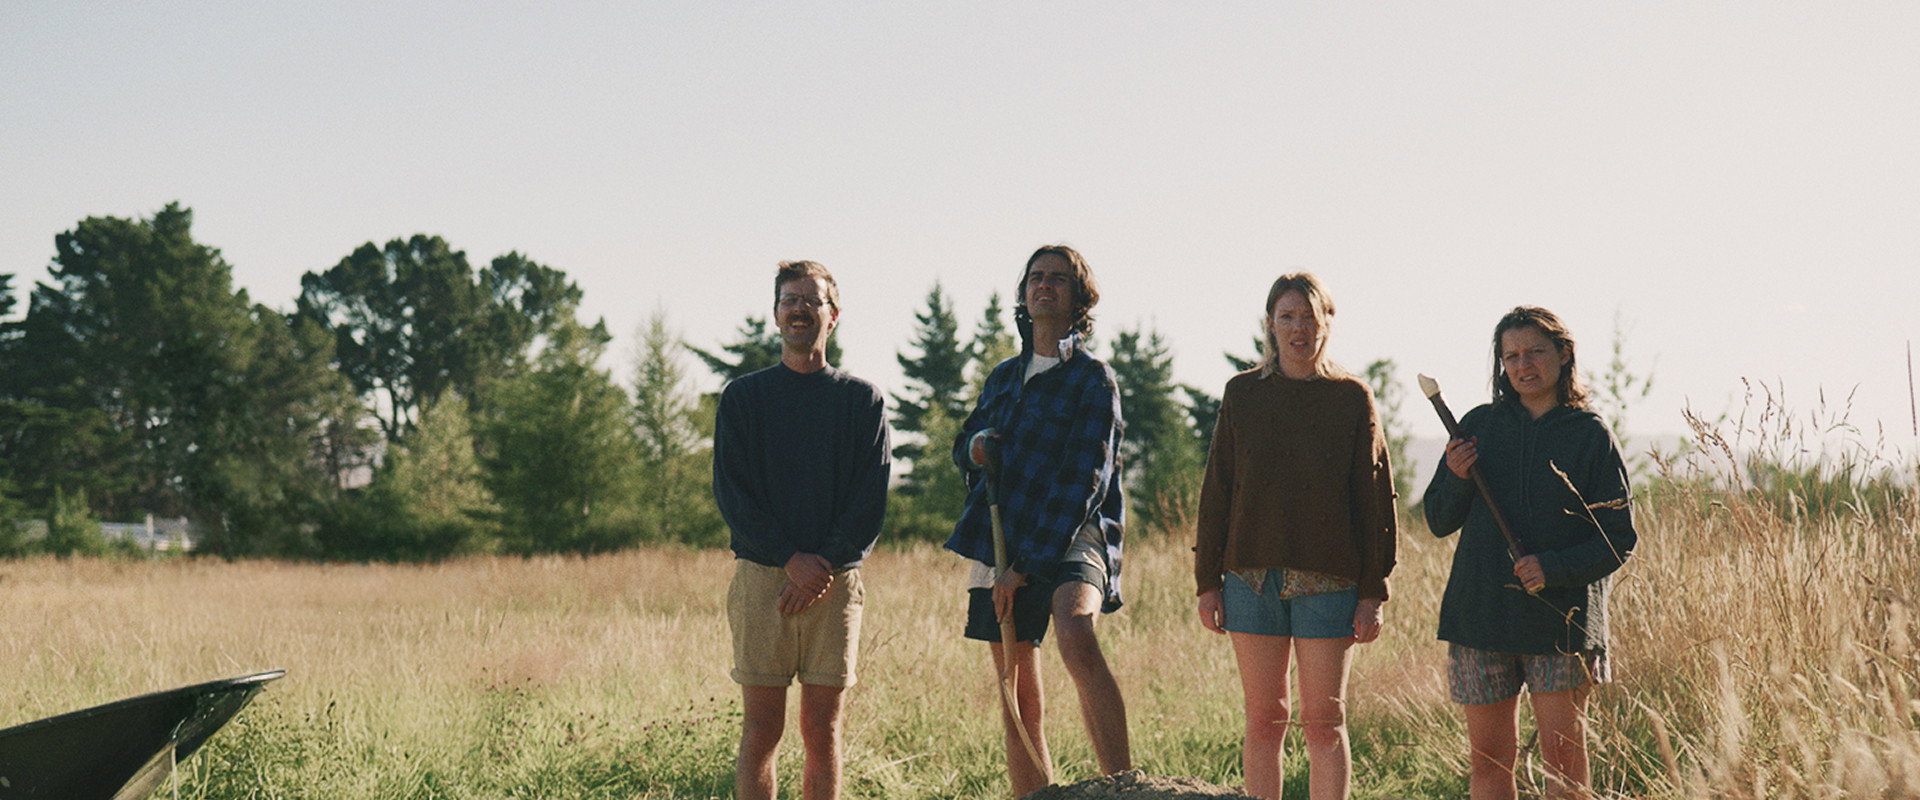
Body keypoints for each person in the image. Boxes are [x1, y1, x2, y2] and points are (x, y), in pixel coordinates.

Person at [1192, 273, 1398, 800]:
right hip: (1249, 577)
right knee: (1265, 721)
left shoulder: (1351, 398)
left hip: (1330, 581)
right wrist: (1206, 581)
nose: (1299, 328)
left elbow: (1375, 497)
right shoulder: (1243, 393)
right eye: (1288, 317)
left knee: (1324, 725)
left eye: (1310, 316)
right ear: (1270, 325)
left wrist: (1373, 590)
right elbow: (1218, 488)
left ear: (1328, 322)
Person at [1423, 306, 1637, 800]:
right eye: (1511, 356)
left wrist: (1554, 568)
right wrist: (1456, 478)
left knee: (1563, 760)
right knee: (1489, 760)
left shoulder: (1590, 434)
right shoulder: (1477, 425)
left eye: (1536, 352)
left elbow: (1618, 537)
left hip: (1560, 620)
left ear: (1564, 355)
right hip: (1482, 617)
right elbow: (1437, 520)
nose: (1523, 365)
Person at [945, 244, 1131, 797]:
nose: (1044, 286)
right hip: (1002, 533)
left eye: (1058, 279)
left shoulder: (1093, 379)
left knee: (1074, 627)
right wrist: (976, 447)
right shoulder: (1004, 378)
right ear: (1024, 295)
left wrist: (1025, 567)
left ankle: (1124, 786)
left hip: (1075, 533)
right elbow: (964, 445)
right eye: (1035, 278)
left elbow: (1084, 482)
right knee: (1014, 680)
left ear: (1079, 300)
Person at [713, 260, 890, 800]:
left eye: (812, 301)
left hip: (835, 584)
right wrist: (790, 558)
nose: (799, 309)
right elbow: (733, 494)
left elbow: (869, 501)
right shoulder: (743, 398)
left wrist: (821, 565)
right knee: (762, 729)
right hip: (764, 579)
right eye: (790, 299)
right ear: (775, 314)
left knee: (823, 730)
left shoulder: (862, 400)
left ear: (832, 317)